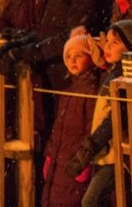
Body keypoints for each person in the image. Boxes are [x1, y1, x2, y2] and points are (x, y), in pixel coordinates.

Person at [67, 19, 132, 207]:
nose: (107, 46)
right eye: (107, 41)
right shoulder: (113, 73)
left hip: (115, 154)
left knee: (90, 201)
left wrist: (89, 148)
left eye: (115, 42)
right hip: (105, 152)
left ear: (131, 48)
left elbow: (115, 119)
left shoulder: (124, 78)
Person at [41, 33, 100, 207]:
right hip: (58, 162)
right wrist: (50, 155)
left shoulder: (90, 91)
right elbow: (57, 127)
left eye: (79, 55)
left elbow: (91, 129)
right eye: (68, 56)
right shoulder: (68, 88)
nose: (72, 60)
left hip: (74, 164)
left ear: (90, 58)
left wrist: (84, 163)